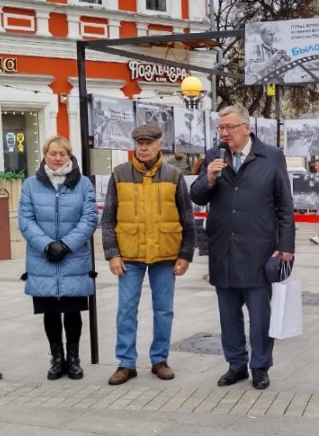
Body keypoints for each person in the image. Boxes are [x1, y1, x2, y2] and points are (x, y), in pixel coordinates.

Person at [190, 105, 294, 390]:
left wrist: (286, 245)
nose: (224, 133)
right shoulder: (214, 155)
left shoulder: (271, 156)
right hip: (224, 247)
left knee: (260, 314)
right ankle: (236, 364)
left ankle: (260, 365)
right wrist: (209, 178)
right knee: (228, 313)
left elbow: (285, 205)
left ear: (246, 127)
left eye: (230, 127)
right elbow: (197, 196)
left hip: (260, 248)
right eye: (221, 128)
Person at [101, 123, 195, 385]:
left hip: (165, 254)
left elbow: (187, 218)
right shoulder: (119, 174)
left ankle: (159, 360)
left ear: (158, 145)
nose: (143, 147)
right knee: (126, 310)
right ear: (134, 145)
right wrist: (112, 253)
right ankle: (125, 363)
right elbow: (107, 218)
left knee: (164, 310)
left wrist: (185, 254)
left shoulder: (174, 175)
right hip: (129, 254)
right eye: (139, 143)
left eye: (148, 143)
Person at [18, 136, 98, 380]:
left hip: (73, 256)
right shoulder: (31, 184)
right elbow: (26, 219)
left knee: (72, 311)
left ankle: (73, 359)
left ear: (69, 155)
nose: (57, 158)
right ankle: (57, 358)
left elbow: (89, 218)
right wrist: (46, 245)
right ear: (45, 155)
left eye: (62, 154)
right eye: (53, 153)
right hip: (43, 258)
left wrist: (65, 244)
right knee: (50, 311)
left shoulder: (83, 183)